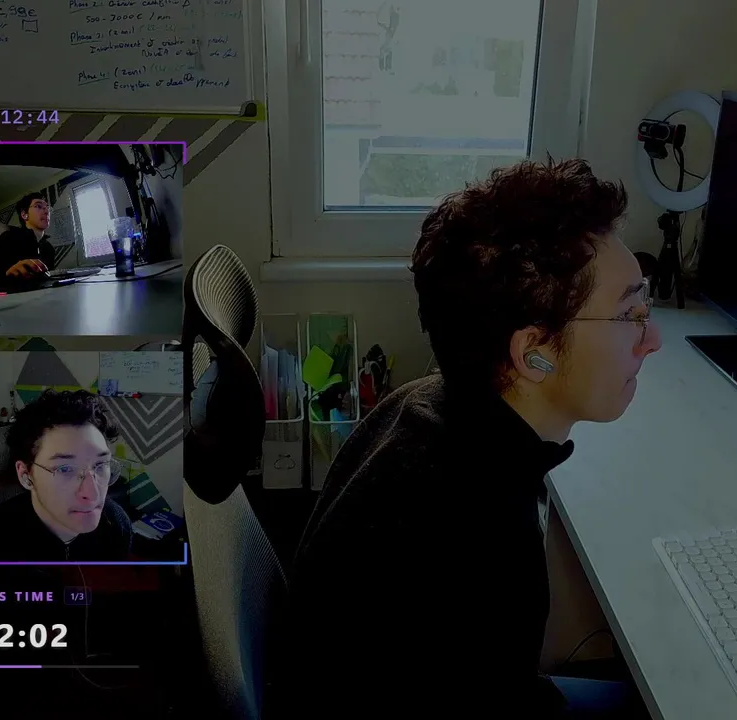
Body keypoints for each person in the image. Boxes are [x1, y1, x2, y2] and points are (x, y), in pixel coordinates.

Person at [270, 159, 661, 719]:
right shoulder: (477, 522)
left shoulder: (427, 403)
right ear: (533, 353)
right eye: (629, 315)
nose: (653, 338)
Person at [0, 390, 133, 561]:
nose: (93, 494)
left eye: (101, 465)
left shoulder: (115, 524)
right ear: (26, 475)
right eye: (66, 469)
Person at [0, 192, 56, 287]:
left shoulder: (49, 248)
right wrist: (8, 275)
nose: (46, 211)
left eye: (47, 208)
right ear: (24, 215)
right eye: (38, 206)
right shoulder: (9, 238)